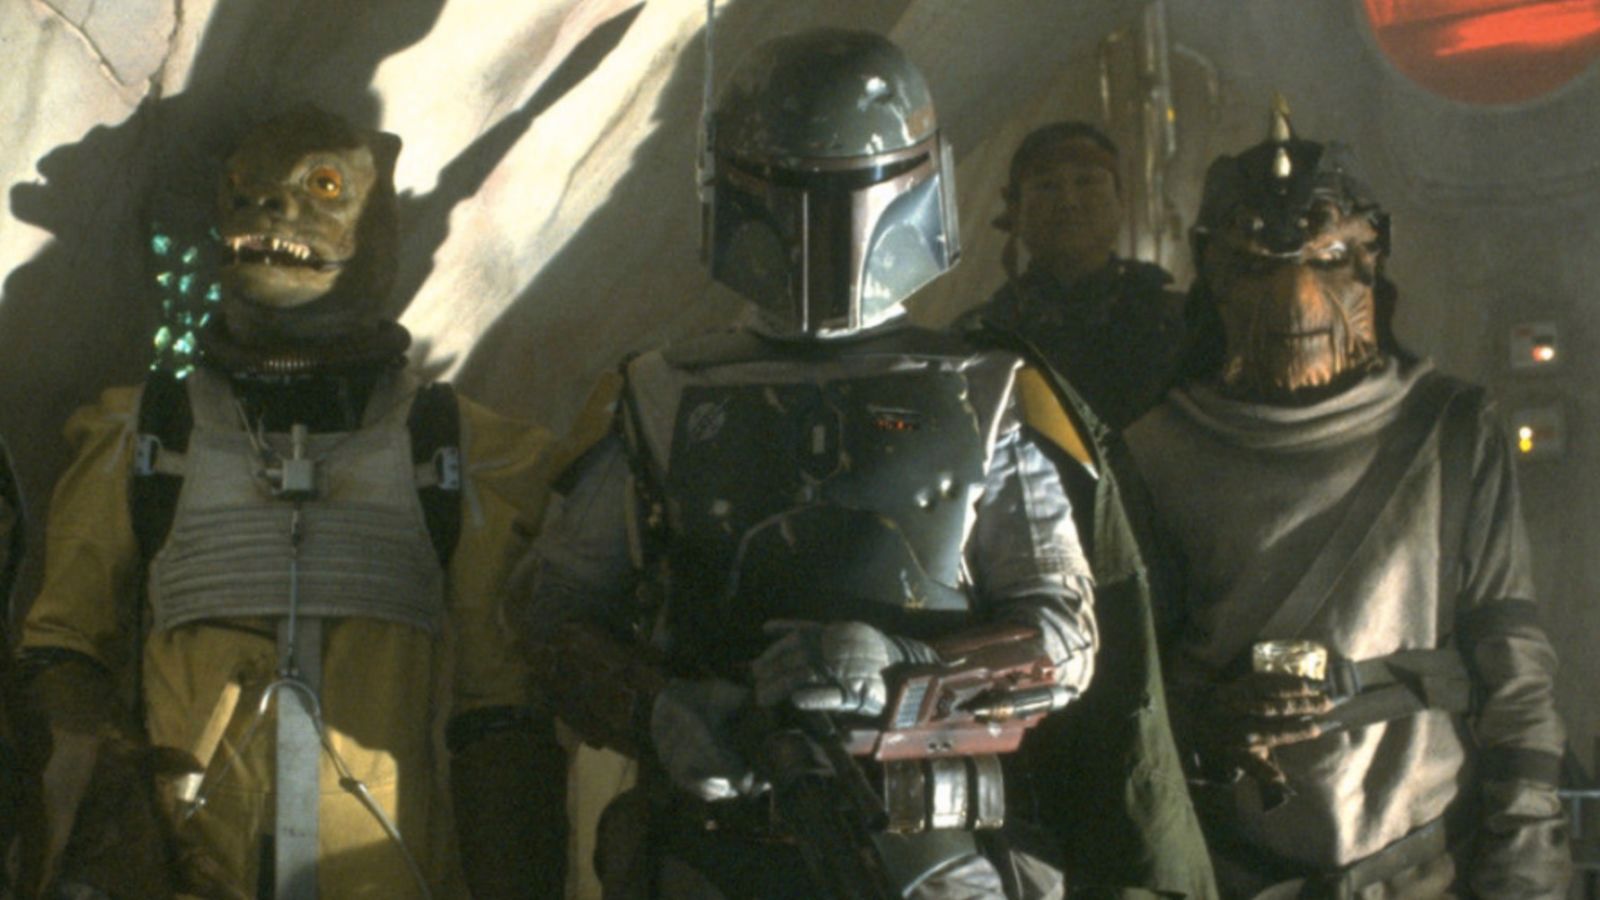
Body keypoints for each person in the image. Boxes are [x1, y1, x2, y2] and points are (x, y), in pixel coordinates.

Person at [513, 28, 1103, 899]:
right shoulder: (658, 390)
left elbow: (1065, 638)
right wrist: (659, 709)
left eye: (851, 188)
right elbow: (550, 611)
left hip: (933, 846)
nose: (822, 228)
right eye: (792, 190)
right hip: (715, 843)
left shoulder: (987, 389)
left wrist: (907, 670)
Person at [14, 106, 562, 899]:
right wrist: (105, 834)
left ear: (378, 221)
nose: (269, 209)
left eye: (325, 188)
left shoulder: (452, 451)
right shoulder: (148, 438)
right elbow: (65, 654)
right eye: (244, 190)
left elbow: (500, 716)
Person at [1124, 102, 1572, 897]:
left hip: (1421, 857)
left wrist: (1526, 862)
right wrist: (1203, 722)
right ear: (1212, 272)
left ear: (1372, 258)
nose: (1296, 299)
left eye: (1329, 258)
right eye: (1256, 266)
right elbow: (1128, 685)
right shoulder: (1155, 451)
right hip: (1232, 864)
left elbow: (1512, 665)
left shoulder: (1449, 431)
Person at [958, 122, 1186, 432]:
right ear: (1014, 209)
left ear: (1121, 199)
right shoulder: (980, 341)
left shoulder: (1180, 325)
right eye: (1047, 186)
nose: (1068, 202)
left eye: (1086, 181)